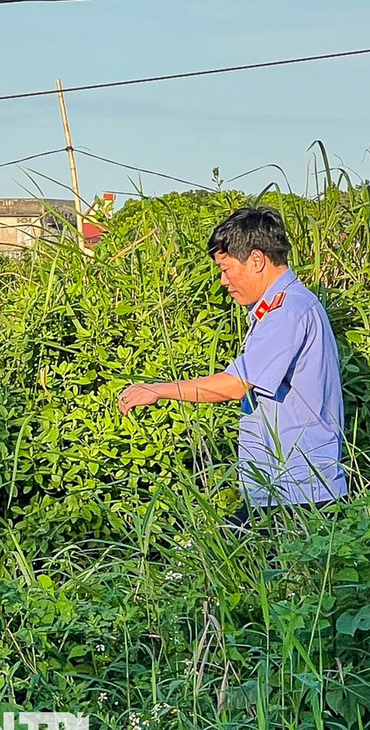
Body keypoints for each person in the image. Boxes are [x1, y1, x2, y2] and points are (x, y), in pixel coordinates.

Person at [117, 205, 348, 525]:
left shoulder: (287, 311)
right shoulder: (281, 307)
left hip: (297, 491)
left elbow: (236, 384)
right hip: (282, 488)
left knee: (238, 567)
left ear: (256, 260)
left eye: (226, 269)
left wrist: (156, 390)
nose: (224, 281)